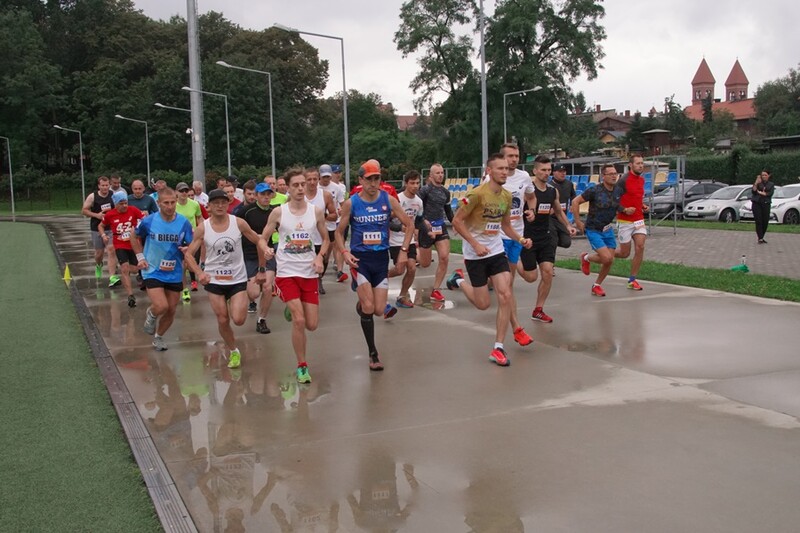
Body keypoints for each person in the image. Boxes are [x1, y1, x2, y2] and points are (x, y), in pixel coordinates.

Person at [446, 153, 532, 367]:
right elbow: (457, 222)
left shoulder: (506, 196)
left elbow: (506, 226)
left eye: (506, 168)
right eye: (500, 168)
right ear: (489, 171)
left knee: (505, 293)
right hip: (475, 254)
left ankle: (498, 347)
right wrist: (475, 244)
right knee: (483, 304)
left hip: (495, 251)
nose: (505, 171)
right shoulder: (476, 195)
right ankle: (458, 280)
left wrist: (521, 239)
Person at [336, 159, 413, 371]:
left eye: (376, 178)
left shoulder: (388, 200)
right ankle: (373, 353)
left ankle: (362, 304)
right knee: (371, 307)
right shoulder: (351, 203)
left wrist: (404, 252)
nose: (373, 183)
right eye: (369, 179)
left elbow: (409, 224)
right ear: (361, 180)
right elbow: (338, 232)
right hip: (360, 260)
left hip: (381, 259)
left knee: (378, 309)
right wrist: (345, 252)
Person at [184, 189, 271, 369]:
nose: (220, 206)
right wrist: (200, 274)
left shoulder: (238, 223)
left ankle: (235, 305)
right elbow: (189, 255)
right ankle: (233, 351)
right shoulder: (203, 228)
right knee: (223, 319)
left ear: (228, 203)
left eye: (223, 202)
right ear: (209, 206)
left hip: (237, 279)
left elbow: (258, 241)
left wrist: (262, 267)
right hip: (214, 280)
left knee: (238, 319)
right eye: (216, 203)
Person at [262, 169, 330, 383]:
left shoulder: (316, 211)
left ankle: (291, 310)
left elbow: (326, 240)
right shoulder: (279, 212)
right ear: (287, 188)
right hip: (286, 272)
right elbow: (262, 238)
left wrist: (320, 257)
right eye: (296, 185)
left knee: (312, 324)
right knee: (300, 321)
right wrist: (265, 249)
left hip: (308, 273)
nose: (301, 188)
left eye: (303, 184)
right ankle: (302, 366)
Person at [132, 187, 194, 351]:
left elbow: (192, 243)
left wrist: (188, 250)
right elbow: (134, 235)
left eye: (173, 202)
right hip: (152, 269)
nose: (170, 206)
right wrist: (140, 257)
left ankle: (158, 337)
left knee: (171, 309)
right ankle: (152, 313)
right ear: (158, 203)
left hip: (174, 272)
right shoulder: (149, 221)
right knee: (161, 306)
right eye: (166, 203)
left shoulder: (183, 223)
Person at [519, 155, 576, 323]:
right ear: (535, 171)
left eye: (549, 170)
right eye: (543, 170)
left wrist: (568, 225)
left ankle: (538, 309)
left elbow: (558, 212)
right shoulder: (527, 191)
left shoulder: (553, 191)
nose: (547, 173)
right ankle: (515, 262)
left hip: (545, 237)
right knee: (531, 277)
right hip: (528, 238)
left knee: (548, 272)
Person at [492, 143, 536, 344]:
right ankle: (517, 328)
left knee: (508, 286)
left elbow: (531, 196)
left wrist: (531, 210)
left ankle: (457, 279)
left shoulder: (524, 177)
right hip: (496, 238)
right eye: (510, 156)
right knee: (505, 288)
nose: (514, 159)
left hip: (516, 235)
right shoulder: (491, 179)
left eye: (517, 156)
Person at [572, 164, 621, 297]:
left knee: (609, 260)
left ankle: (597, 285)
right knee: (606, 257)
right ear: (603, 176)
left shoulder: (618, 190)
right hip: (593, 229)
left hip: (607, 229)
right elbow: (575, 202)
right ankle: (586, 257)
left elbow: (620, 204)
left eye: (615, 173)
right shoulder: (594, 190)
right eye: (610, 173)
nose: (613, 176)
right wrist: (578, 221)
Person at [238, 182, 280, 334]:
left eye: (269, 194)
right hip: (249, 254)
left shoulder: (275, 212)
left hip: (267, 253)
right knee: (254, 293)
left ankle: (261, 319)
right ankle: (246, 297)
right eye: (262, 194)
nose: (266, 197)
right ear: (256, 196)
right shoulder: (246, 211)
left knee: (268, 287)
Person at [98, 190, 147, 307]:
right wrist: (104, 235)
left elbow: (144, 220)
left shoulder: (133, 210)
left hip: (134, 244)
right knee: (125, 269)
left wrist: (142, 227)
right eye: (121, 203)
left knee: (135, 269)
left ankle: (125, 269)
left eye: (126, 203)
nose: (125, 205)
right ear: (116, 204)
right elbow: (101, 225)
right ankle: (130, 295)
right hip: (120, 245)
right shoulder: (110, 214)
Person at [417, 163, 454, 302]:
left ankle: (436, 290)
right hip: (426, 229)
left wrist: (455, 223)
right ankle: (415, 255)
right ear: (431, 175)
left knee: (444, 257)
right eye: (437, 173)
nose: (440, 175)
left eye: (442, 172)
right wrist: (423, 222)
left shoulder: (445, 192)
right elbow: (417, 209)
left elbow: (448, 211)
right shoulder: (425, 190)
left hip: (440, 227)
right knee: (425, 263)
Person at [388, 170, 425, 308]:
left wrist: (423, 229)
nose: (415, 186)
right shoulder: (397, 199)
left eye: (417, 183)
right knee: (399, 270)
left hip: (409, 240)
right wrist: (400, 228)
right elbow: (387, 221)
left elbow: (419, 220)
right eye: (412, 183)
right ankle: (381, 278)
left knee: (412, 268)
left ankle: (402, 296)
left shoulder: (419, 202)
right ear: (406, 184)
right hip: (395, 241)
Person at [614, 154, 649, 290]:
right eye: (638, 163)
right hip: (625, 221)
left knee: (640, 247)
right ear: (630, 165)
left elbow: (636, 198)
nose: (641, 166)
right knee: (624, 253)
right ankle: (596, 255)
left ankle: (632, 279)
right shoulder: (623, 181)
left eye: (642, 163)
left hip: (639, 220)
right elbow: (613, 199)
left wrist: (642, 206)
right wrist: (624, 209)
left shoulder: (641, 180)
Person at [303, 166, 338, 295]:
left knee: (323, 260)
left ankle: (319, 278)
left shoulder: (325, 195)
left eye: (314, 179)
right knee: (306, 261)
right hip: (304, 236)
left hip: (321, 235)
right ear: (304, 180)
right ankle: (312, 283)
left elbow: (334, 215)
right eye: (309, 179)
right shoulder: (299, 195)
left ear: (318, 179)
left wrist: (323, 217)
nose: (312, 182)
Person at [81, 175, 120, 287]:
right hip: (96, 227)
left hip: (111, 227)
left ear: (109, 185)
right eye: (102, 185)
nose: (105, 188)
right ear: (99, 186)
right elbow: (84, 211)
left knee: (111, 250)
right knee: (99, 253)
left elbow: (120, 208)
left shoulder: (114, 196)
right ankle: (99, 265)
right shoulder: (92, 196)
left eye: (107, 185)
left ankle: (112, 277)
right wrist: (97, 215)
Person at [318, 164, 349, 284]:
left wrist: (343, 213)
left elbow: (343, 204)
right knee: (318, 251)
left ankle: (323, 276)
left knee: (329, 251)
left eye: (328, 177)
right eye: (324, 177)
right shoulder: (314, 187)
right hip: (316, 225)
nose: (326, 179)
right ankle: (316, 279)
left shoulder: (337, 188)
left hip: (332, 222)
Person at [175, 181, 204, 300]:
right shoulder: (173, 205)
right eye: (181, 191)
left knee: (191, 263)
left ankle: (194, 280)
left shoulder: (195, 204)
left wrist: (201, 231)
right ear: (176, 192)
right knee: (182, 265)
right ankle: (185, 290)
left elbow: (199, 218)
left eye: (186, 191)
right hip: (177, 237)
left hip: (191, 237)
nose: (184, 193)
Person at [549, 163, 576, 248]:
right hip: (551, 218)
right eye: (560, 171)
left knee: (566, 243)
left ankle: (550, 241)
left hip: (562, 217)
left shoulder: (569, 184)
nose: (563, 173)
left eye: (564, 171)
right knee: (552, 238)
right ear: (554, 173)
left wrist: (572, 204)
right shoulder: (550, 186)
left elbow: (573, 196)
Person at [752, 169, 775, 244]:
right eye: (762, 175)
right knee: (758, 221)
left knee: (765, 221)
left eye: (765, 175)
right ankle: (760, 238)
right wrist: (756, 183)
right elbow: (754, 191)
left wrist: (762, 193)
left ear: (768, 176)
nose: (764, 176)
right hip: (757, 203)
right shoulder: (758, 183)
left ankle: (762, 236)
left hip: (766, 204)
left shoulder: (771, 184)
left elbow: (769, 194)